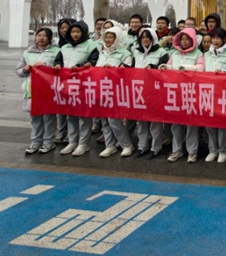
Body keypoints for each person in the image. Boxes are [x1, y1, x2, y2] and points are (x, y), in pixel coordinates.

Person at [55, 21, 99, 156]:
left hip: (84, 85)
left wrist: (82, 65)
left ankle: (83, 144)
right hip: (68, 85)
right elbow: (58, 60)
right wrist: (57, 64)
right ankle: (72, 142)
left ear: (84, 32)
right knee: (71, 115)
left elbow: (94, 61)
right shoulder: (64, 47)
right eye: (73, 32)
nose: (75, 34)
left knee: (84, 116)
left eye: (78, 32)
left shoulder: (91, 46)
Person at [160, 28, 205, 163]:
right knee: (176, 124)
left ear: (193, 40)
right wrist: (164, 66)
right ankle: (177, 150)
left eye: (187, 40)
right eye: (182, 39)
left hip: (191, 92)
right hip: (175, 92)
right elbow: (170, 66)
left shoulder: (198, 54)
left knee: (191, 124)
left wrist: (187, 68)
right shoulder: (174, 53)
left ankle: (192, 152)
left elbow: (201, 68)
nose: (184, 42)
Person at [16, 28, 59, 154]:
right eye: (39, 35)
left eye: (44, 36)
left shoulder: (57, 51)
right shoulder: (27, 52)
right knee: (35, 119)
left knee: (49, 118)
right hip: (32, 90)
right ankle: (35, 142)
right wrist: (25, 69)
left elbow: (60, 68)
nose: (41, 38)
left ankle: (49, 142)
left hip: (49, 90)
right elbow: (18, 71)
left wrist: (47, 66)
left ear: (49, 38)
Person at [96, 26, 135, 158]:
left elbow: (126, 71)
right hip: (102, 88)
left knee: (114, 119)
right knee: (105, 120)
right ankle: (109, 145)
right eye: (106, 37)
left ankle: (126, 144)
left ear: (117, 38)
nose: (108, 40)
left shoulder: (125, 54)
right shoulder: (102, 52)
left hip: (116, 90)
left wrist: (113, 69)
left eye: (111, 37)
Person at [131, 27, 169, 158]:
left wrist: (153, 67)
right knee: (141, 121)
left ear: (153, 38)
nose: (145, 40)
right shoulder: (136, 52)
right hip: (139, 89)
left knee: (155, 121)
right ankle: (142, 146)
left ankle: (155, 147)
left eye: (148, 37)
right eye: (142, 37)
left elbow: (164, 69)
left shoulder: (162, 52)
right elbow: (131, 68)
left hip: (155, 90)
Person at [204, 28, 226, 163]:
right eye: (213, 38)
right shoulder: (207, 54)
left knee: (222, 123)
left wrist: (223, 71)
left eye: (218, 38)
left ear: (224, 39)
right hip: (208, 92)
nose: (215, 41)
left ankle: (223, 151)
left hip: (223, 93)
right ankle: (213, 150)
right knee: (209, 123)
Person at [53, 17, 75, 143]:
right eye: (62, 28)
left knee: (72, 110)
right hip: (61, 81)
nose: (65, 30)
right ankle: (61, 132)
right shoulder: (59, 45)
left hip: (75, 82)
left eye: (67, 27)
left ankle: (71, 135)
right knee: (60, 109)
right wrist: (57, 64)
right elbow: (58, 60)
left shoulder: (84, 45)